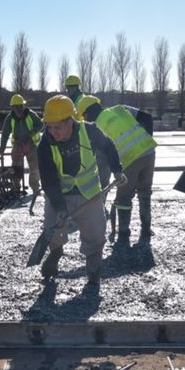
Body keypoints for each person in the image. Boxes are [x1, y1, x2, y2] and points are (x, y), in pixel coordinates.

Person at [37, 94, 122, 284]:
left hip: (88, 193)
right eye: (49, 127)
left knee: (95, 233)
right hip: (60, 193)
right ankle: (56, 252)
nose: (52, 132)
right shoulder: (45, 144)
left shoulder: (89, 131)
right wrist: (59, 207)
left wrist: (117, 170)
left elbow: (108, 146)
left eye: (57, 127)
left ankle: (93, 269)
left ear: (71, 122)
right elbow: (49, 180)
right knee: (53, 227)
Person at [80, 96, 156, 245]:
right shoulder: (121, 109)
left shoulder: (97, 127)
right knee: (145, 192)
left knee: (123, 198)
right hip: (149, 151)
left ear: (87, 114)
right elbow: (147, 118)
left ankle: (123, 233)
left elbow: (101, 159)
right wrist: (145, 140)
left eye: (83, 116)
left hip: (129, 159)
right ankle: (146, 229)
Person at [0, 93, 43, 195]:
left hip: (31, 142)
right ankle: (16, 187)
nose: (18, 109)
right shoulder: (10, 118)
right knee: (15, 167)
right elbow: (5, 134)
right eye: (16, 107)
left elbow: (41, 124)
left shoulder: (30, 114)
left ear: (23, 106)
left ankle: (35, 187)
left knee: (34, 166)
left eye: (20, 106)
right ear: (12, 107)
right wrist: (1, 149)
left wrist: (33, 131)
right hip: (18, 143)